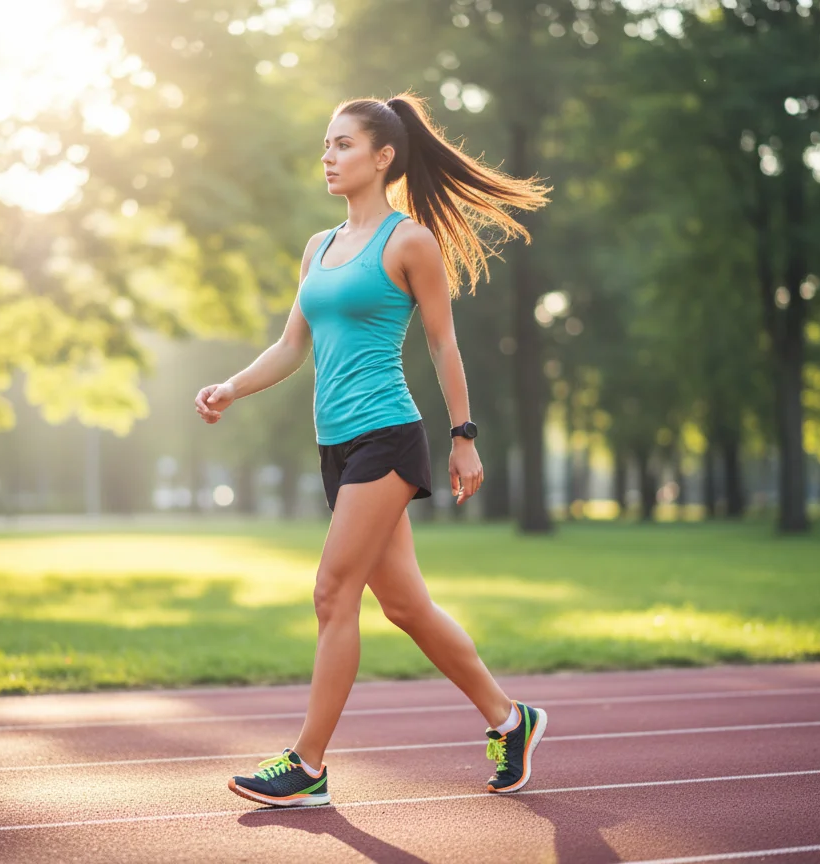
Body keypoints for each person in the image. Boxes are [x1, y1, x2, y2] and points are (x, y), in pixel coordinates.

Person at [194, 93, 551, 808]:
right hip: (338, 445)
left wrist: (464, 437)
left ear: (382, 156)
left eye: (343, 145)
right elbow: (292, 345)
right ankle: (512, 721)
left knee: (332, 593)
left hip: (387, 436)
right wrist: (232, 387)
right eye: (325, 146)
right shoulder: (318, 248)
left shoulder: (408, 241)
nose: (328, 158)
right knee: (407, 607)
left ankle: (310, 764)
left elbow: (444, 342)